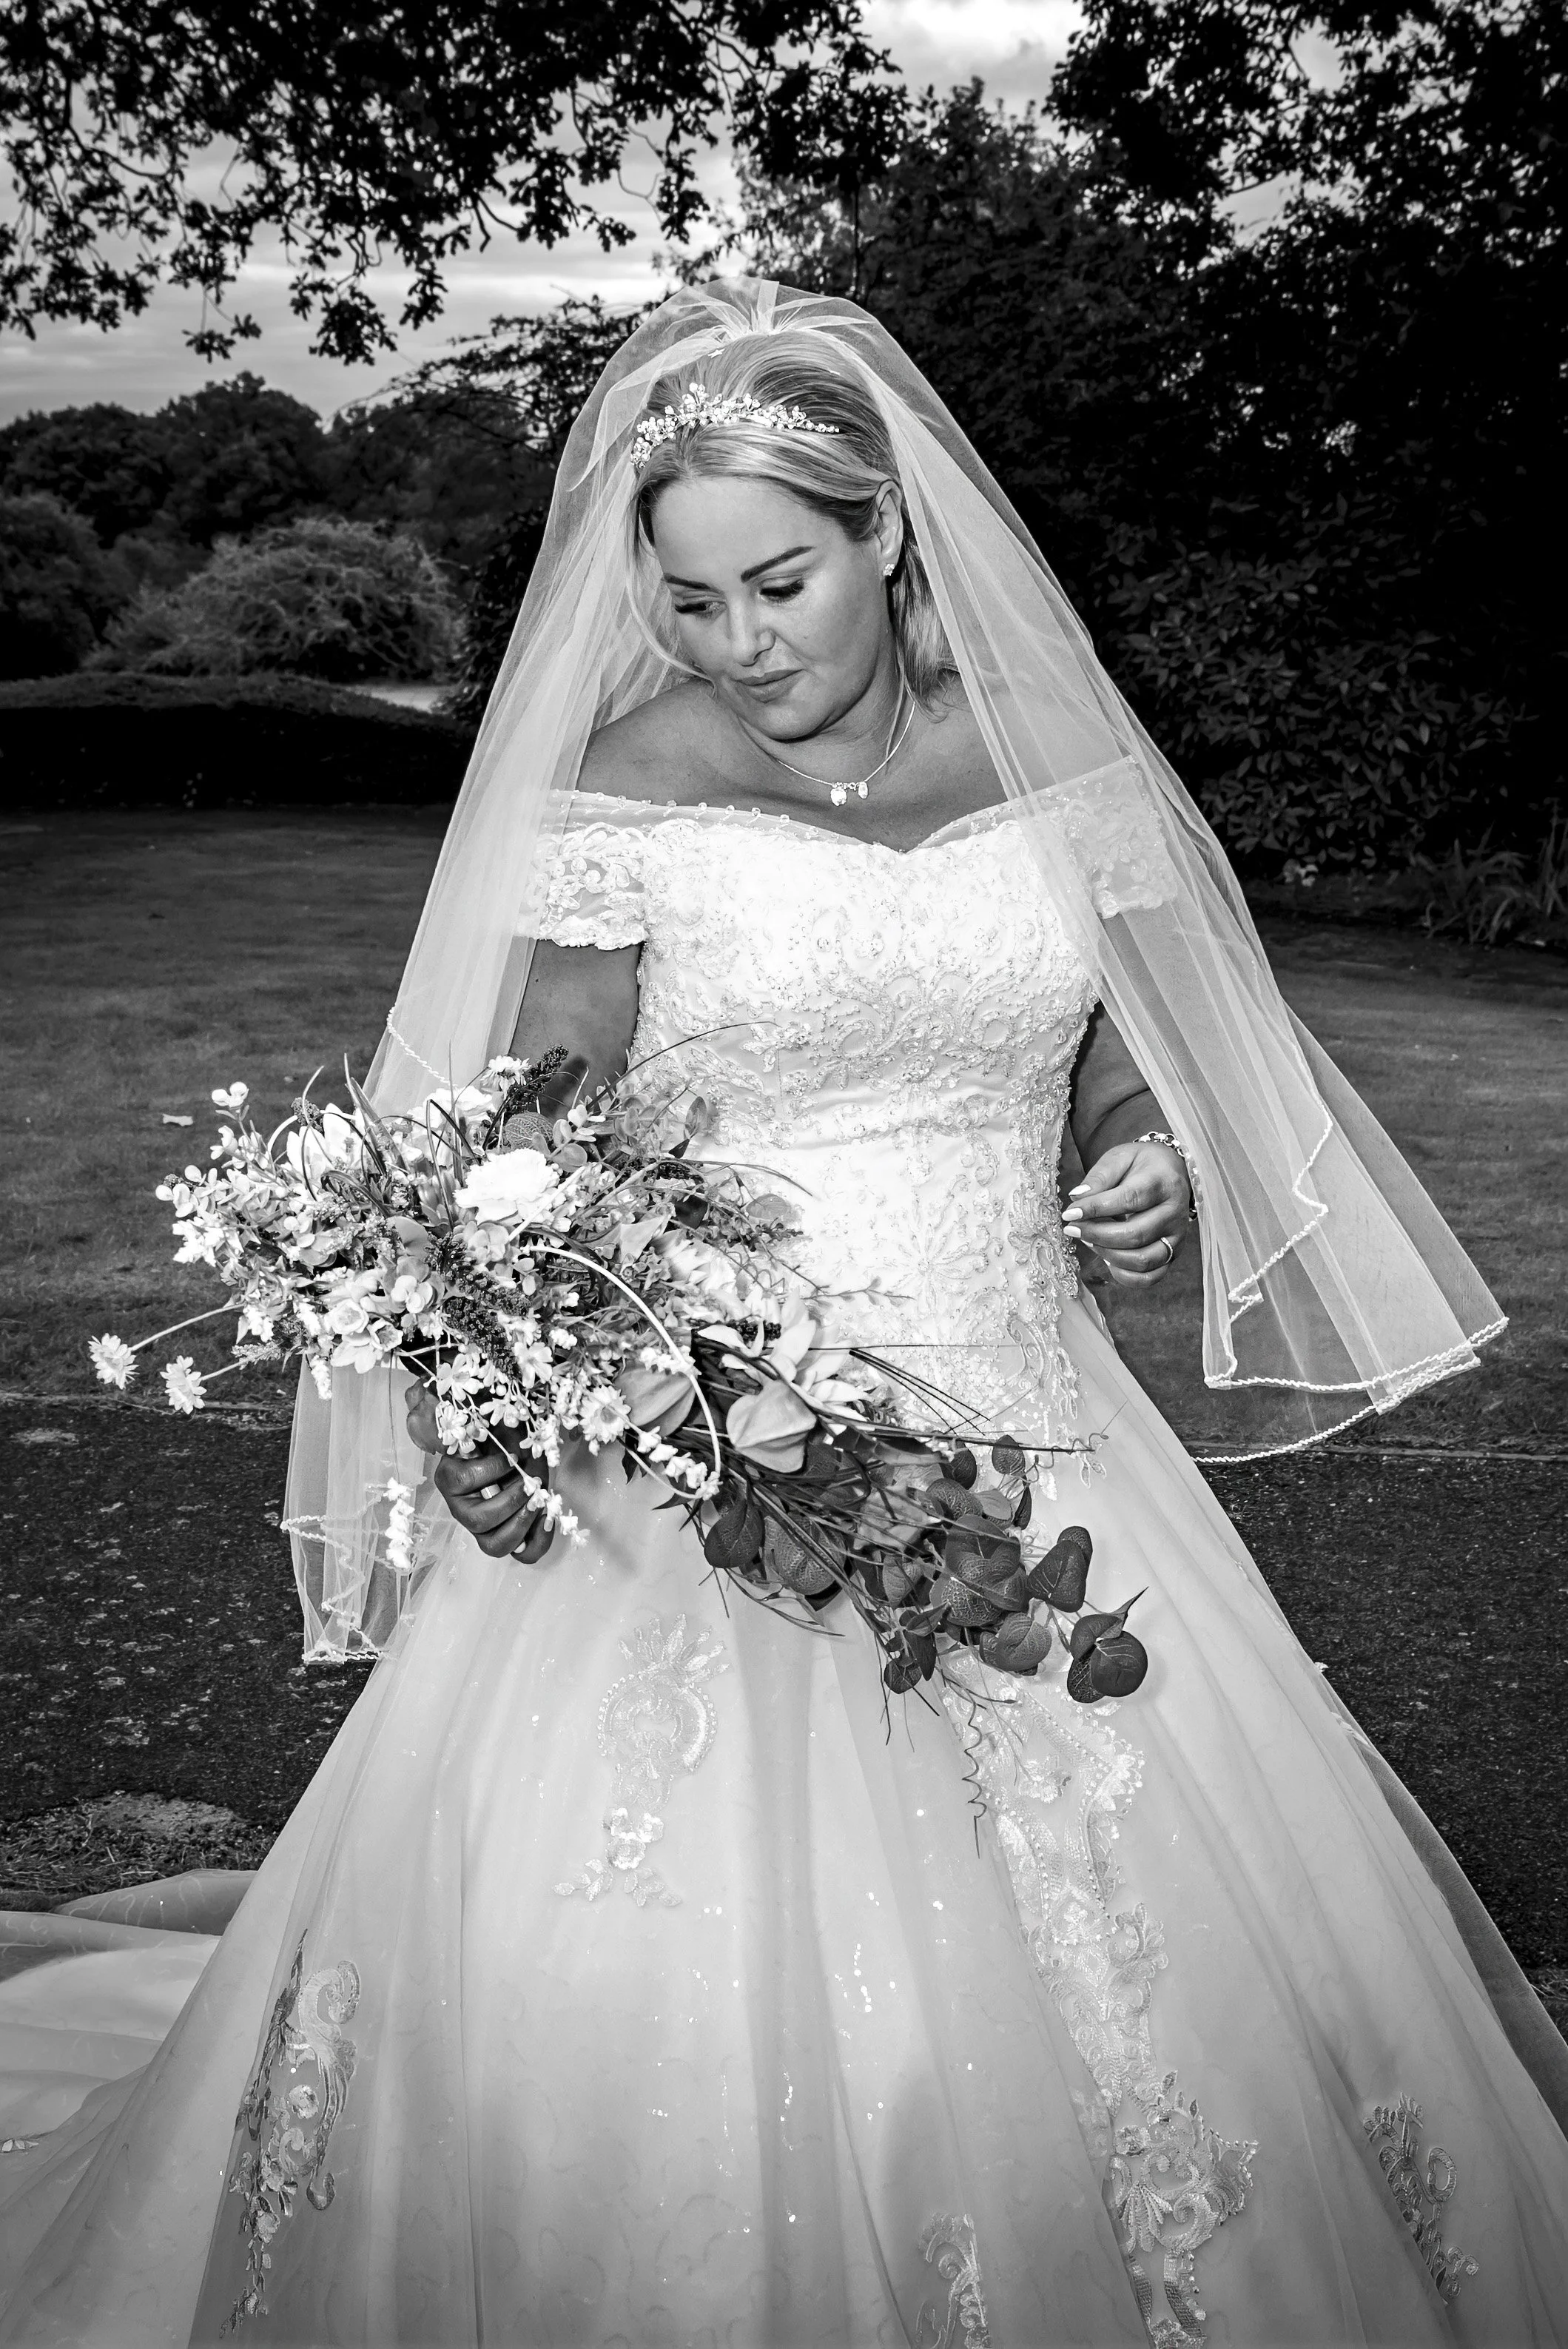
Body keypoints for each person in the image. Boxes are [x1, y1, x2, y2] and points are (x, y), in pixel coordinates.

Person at [2, 280, 1565, 2348]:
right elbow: (532, 1123)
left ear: (889, 536)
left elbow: (1111, 1041)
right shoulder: (629, 776)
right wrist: (497, 1346)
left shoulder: (1063, 758)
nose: (744, 641)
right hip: (701, 1427)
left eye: (782, 581)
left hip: (1032, 1413)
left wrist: (1138, 1149)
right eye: (695, 598)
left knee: (1159, 1942)